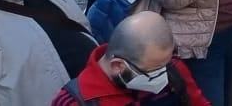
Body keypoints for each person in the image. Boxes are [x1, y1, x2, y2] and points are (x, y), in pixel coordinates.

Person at [53, 11, 213, 106]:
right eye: (153, 71)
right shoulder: (75, 102)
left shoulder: (172, 68)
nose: (163, 76)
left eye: (165, 64)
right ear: (118, 66)